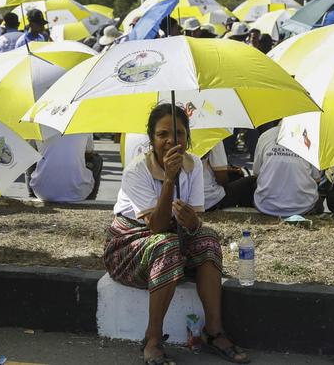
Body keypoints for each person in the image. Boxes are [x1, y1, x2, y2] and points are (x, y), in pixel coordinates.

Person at [104, 104, 248, 365]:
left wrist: (193, 222)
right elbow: (157, 227)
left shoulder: (192, 166)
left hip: (171, 239)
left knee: (208, 239)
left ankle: (214, 332)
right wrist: (169, 180)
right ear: (151, 139)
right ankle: (153, 338)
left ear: (188, 137)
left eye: (179, 134)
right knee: (167, 245)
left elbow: (192, 226)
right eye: (163, 134)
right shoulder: (136, 171)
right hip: (129, 248)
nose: (172, 141)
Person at [253, 125, 322, 217]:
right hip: (303, 207)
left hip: (266, 206)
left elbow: (256, 173)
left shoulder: (265, 136)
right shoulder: (311, 138)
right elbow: (316, 178)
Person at [29, 134, 103, 202]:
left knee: (30, 156)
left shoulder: (38, 125)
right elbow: (89, 151)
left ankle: (32, 195)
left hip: (41, 192)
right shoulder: (83, 125)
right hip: (78, 193)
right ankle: (90, 200)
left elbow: (30, 149)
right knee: (97, 159)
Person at [202, 142, 256, 211]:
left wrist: (228, 170)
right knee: (251, 181)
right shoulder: (213, 138)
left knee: (235, 175)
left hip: (190, 200)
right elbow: (222, 179)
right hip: (209, 200)